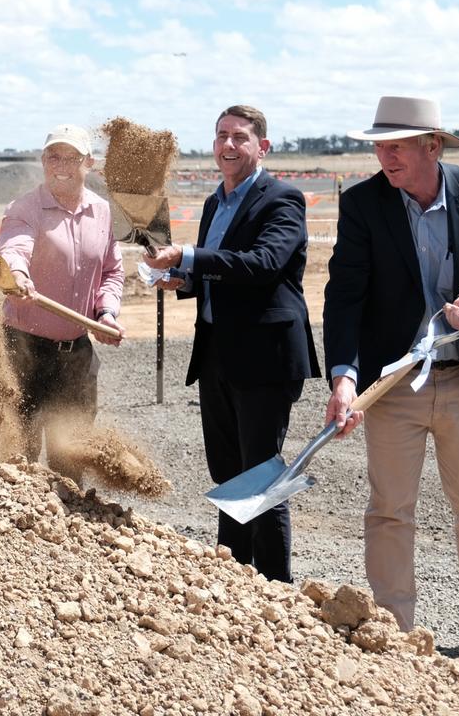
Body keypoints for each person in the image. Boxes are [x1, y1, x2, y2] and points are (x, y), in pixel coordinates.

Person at [323, 96, 459, 670]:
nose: (384, 156)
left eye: (396, 145)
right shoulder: (364, 204)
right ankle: (393, 630)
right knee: (390, 510)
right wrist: (343, 376)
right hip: (392, 386)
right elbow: (344, 295)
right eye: (379, 145)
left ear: (432, 146)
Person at [143, 105, 319, 583]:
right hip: (218, 354)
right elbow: (216, 275)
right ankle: (235, 580)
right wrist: (180, 279)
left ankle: (277, 592)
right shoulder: (213, 204)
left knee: (261, 478)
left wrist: (190, 256)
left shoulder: (283, 199)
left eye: (240, 137)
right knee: (228, 473)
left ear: (262, 146)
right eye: (221, 135)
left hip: (265, 359)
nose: (228, 145)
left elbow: (262, 264)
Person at [0, 125, 125, 477]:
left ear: (89, 163)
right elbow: (13, 249)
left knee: (70, 464)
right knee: (18, 462)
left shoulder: (102, 212)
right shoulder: (24, 209)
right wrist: (17, 275)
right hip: (23, 353)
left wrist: (107, 313)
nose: (61, 164)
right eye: (54, 155)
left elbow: (112, 271)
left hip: (77, 357)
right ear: (43, 161)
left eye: (72, 157)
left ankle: (65, 528)